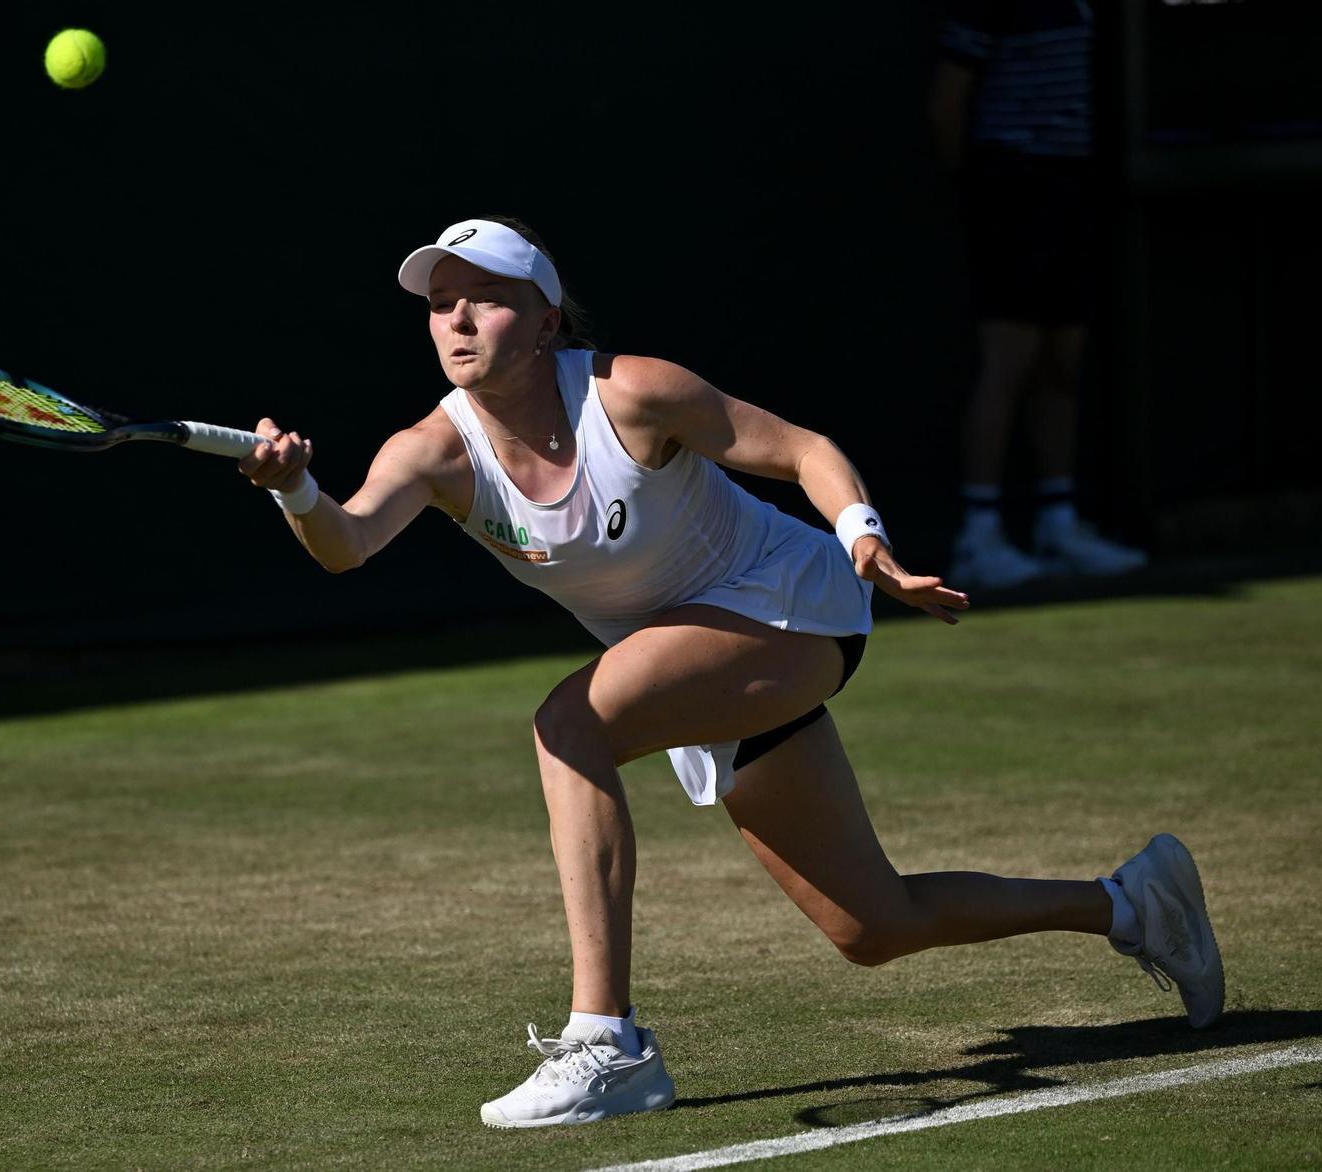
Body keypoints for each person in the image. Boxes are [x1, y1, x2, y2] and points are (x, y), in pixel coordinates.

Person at [237, 217, 1222, 1128]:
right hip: (702, 668)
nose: (454, 315)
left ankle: (605, 1036)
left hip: (790, 607)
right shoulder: (433, 450)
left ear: (542, 323)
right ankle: (1130, 900)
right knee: (873, 924)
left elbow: (802, 450)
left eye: (484, 295)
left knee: (568, 722)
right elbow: (347, 544)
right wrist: (297, 490)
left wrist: (863, 536)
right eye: (438, 300)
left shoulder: (630, 392)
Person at [930, 0, 1149, 589]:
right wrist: (987, 189)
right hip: (1014, 185)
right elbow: (949, 100)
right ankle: (979, 536)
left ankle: (1058, 523)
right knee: (1010, 359)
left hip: (1071, 182)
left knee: (1062, 362)